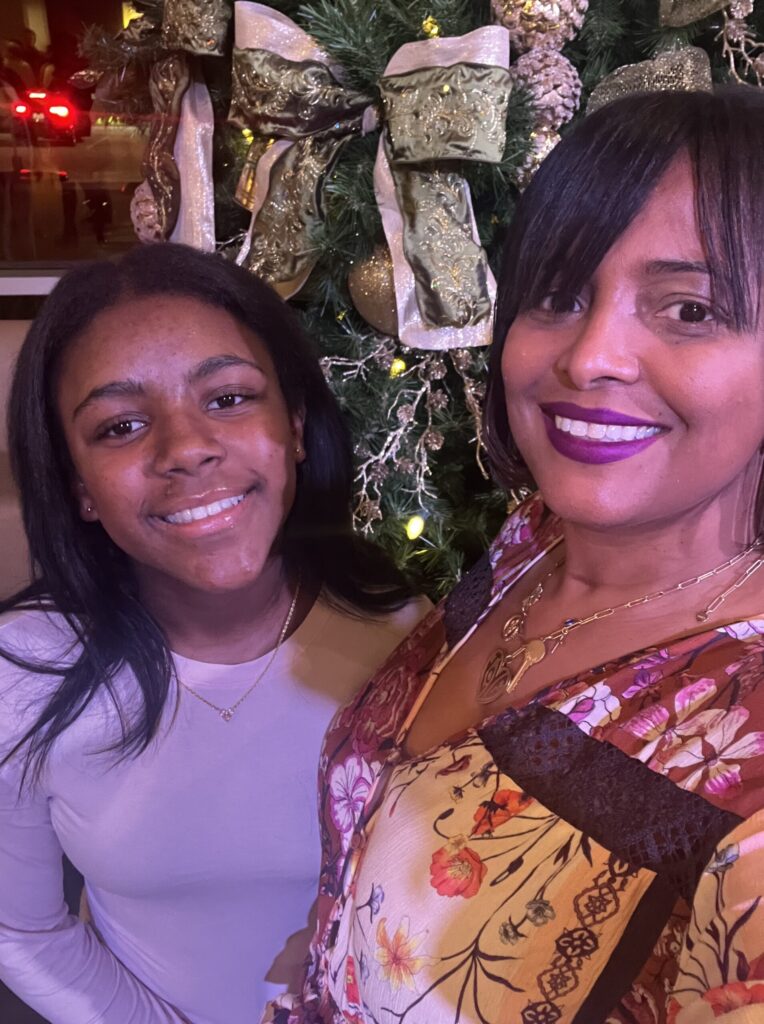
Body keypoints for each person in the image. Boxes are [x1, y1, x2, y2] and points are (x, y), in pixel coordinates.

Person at [277, 87, 764, 1024]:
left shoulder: (743, 734)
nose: (589, 357)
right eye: (559, 294)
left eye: (690, 309)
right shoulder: (530, 542)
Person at [0, 243, 430, 1024]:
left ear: (295, 426)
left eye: (228, 399)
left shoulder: (403, 633)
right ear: (79, 488)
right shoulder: (24, 674)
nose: (187, 448)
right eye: (122, 425)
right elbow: (21, 929)